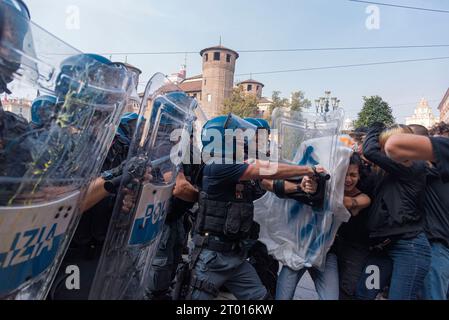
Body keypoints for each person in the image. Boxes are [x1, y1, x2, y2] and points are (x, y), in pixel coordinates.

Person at [187, 114, 327, 300]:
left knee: (260, 298)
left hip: (234, 255)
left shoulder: (235, 166)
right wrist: (309, 169)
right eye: (237, 137)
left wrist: (299, 186)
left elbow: (268, 182)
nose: (243, 141)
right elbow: (265, 169)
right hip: (212, 257)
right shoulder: (218, 165)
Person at [362, 123, 431, 300]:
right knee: (364, 294)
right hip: (382, 247)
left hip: (409, 247)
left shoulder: (414, 167)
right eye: (384, 146)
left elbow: (369, 150)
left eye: (391, 145)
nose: (387, 151)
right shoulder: (383, 172)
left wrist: (376, 126)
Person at [336, 153, 373, 300]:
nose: (348, 179)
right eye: (344, 174)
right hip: (332, 246)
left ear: (360, 175)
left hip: (356, 248)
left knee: (346, 288)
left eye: (353, 175)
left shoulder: (364, 196)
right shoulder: (333, 189)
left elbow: (350, 203)